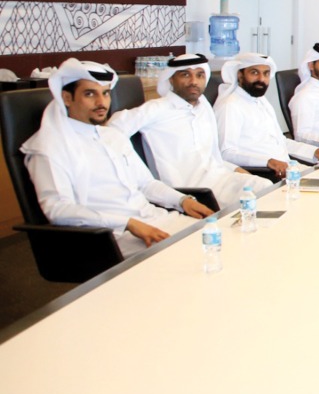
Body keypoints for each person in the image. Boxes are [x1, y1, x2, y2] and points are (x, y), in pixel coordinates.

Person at [21, 58, 213, 257]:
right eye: (89, 94)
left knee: (222, 238)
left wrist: (182, 201)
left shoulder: (112, 135)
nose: (101, 102)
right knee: (199, 254)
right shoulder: (48, 147)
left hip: (153, 219)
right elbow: (59, 210)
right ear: (67, 98)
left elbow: (146, 184)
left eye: (105, 93)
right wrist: (128, 223)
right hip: (109, 237)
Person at [109, 53, 272, 210]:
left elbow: (213, 157)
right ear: (171, 79)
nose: (194, 81)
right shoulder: (157, 108)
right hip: (195, 192)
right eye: (186, 75)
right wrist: (134, 171)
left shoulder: (204, 106)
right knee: (260, 206)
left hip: (222, 177)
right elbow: (113, 129)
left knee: (266, 187)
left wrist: (239, 172)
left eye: (200, 75)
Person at [214, 52, 319, 180]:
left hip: (288, 169)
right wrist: (267, 162)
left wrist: (312, 151)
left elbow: (281, 141)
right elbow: (226, 154)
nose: (261, 79)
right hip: (263, 175)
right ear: (239, 75)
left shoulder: (262, 102)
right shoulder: (230, 106)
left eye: (266, 73)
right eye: (254, 72)